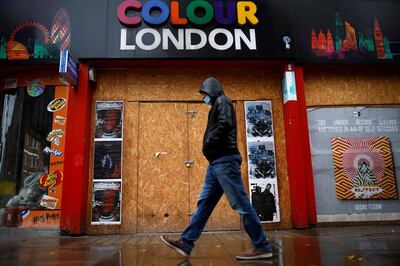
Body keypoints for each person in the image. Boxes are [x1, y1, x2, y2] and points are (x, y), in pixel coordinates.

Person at [161, 77, 273, 260]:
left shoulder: (223, 101)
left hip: (225, 161)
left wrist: (209, 141)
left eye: (205, 94)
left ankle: (262, 246)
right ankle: (186, 243)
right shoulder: (217, 105)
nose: (204, 98)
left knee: (241, 204)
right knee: (204, 204)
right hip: (216, 164)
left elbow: (225, 124)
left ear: (212, 90)